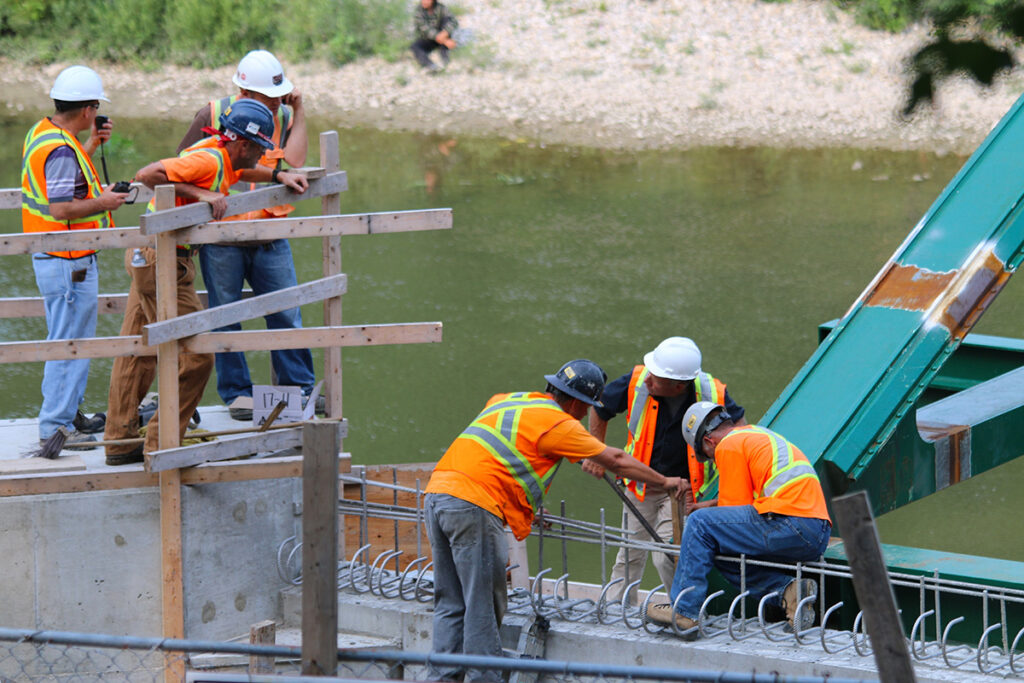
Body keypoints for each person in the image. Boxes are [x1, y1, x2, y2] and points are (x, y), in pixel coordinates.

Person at [424, 359, 687, 682]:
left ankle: (441, 677)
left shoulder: (507, 399)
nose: (583, 414)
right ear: (577, 402)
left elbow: (499, 457)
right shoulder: (559, 424)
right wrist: (665, 482)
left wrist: (525, 507)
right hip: (474, 504)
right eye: (586, 407)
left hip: (438, 494)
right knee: (482, 606)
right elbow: (615, 460)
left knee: (450, 600)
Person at [102, 99, 309, 466]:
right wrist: (203, 196)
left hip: (149, 256)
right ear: (243, 144)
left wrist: (277, 176)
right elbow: (148, 174)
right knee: (198, 356)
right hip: (163, 261)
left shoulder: (221, 156)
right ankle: (162, 444)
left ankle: (119, 441)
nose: (263, 155)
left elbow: (241, 174)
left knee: (138, 351)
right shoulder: (209, 161)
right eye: (261, 148)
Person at [176, 49, 315, 422]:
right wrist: (206, 197)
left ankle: (298, 392)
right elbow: (178, 168)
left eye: (279, 95)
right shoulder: (213, 113)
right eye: (270, 97)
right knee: (226, 316)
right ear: (247, 93)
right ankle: (237, 395)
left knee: (286, 313)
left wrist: (298, 111)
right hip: (221, 237)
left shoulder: (282, 114)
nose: (276, 102)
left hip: (269, 231)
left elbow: (297, 160)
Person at [581, 336, 746, 604]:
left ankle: (682, 609)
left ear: (679, 385)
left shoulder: (712, 393)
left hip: (683, 490)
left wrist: (726, 481)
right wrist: (596, 451)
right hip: (640, 485)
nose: (648, 380)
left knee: (668, 555)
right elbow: (600, 409)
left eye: (656, 379)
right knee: (629, 553)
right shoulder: (638, 381)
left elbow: (739, 431)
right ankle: (616, 607)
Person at [646, 401, 831, 636]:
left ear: (708, 442)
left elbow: (736, 507)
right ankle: (789, 591)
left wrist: (702, 514)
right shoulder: (754, 435)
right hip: (812, 531)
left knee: (700, 524)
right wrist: (712, 505)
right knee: (717, 547)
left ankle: (685, 612)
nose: (714, 460)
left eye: (709, 457)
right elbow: (750, 508)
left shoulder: (728, 445)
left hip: (791, 523)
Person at [21, 65, 130, 449]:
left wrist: (94, 147)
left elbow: (64, 180)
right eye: (95, 108)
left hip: (57, 257)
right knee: (70, 343)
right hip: (68, 261)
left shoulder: (45, 134)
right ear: (87, 110)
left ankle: (67, 416)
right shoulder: (61, 149)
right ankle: (55, 426)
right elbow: (61, 208)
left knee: (69, 339)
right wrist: (105, 201)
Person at [411, 0, 458, 72]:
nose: (424, 1)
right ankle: (430, 65)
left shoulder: (441, 8)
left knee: (446, 19)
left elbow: (454, 21)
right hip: (428, 39)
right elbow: (426, 30)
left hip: (442, 36)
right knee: (415, 46)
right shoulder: (419, 11)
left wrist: (445, 33)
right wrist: (446, 41)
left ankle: (445, 58)